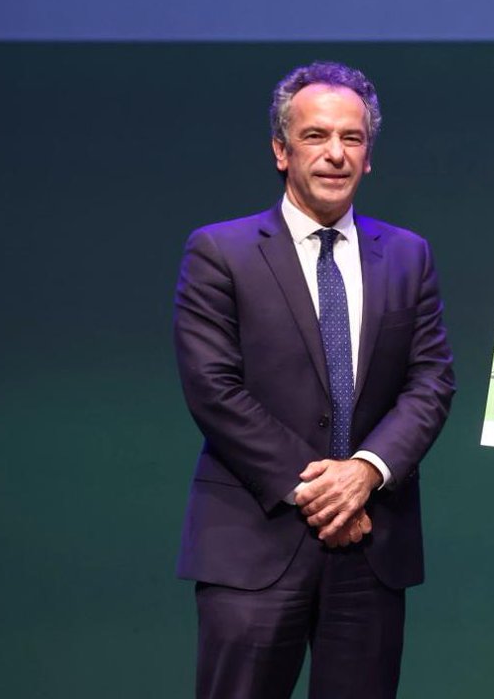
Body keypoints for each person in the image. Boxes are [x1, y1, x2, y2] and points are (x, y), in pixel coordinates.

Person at [173, 61, 456, 698]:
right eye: (315, 136)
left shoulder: (408, 255)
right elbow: (213, 388)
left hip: (371, 545)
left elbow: (431, 380)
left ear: (369, 155)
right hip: (253, 542)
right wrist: (322, 493)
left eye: (351, 139)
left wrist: (366, 471)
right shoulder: (221, 251)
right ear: (281, 150)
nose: (335, 154)